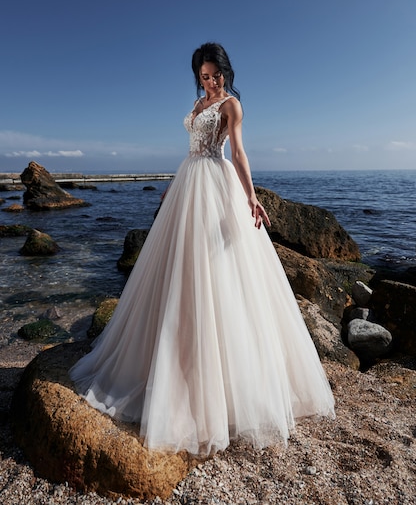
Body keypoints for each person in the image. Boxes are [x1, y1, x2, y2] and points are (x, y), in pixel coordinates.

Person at [70, 42, 335, 456]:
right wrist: (172, 188)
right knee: (175, 270)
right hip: (189, 182)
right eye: (203, 75)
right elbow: (190, 150)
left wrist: (250, 197)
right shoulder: (198, 103)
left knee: (217, 271)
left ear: (225, 72)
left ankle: (222, 388)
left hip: (216, 184)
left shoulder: (231, 106)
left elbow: (239, 153)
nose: (209, 81)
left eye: (214, 74)